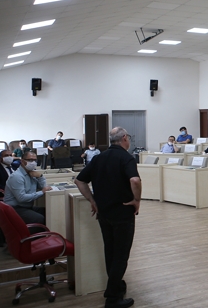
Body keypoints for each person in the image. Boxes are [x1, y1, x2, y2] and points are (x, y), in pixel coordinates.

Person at [74, 127, 140, 308]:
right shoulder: (126, 158)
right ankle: (112, 298)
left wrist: (92, 200)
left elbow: (79, 180)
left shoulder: (98, 158)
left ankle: (116, 285)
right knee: (121, 255)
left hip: (103, 213)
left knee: (110, 251)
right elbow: (135, 180)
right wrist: (136, 200)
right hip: (122, 213)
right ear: (124, 138)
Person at [3, 150, 51, 226]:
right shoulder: (17, 176)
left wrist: (40, 176)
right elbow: (21, 198)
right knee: (39, 218)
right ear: (22, 161)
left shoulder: (31, 173)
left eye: (35, 160)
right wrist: (41, 192)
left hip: (26, 206)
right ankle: (33, 234)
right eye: (30, 160)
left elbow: (43, 187)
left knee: (50, 212)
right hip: (15, 208)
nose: (33, 163)